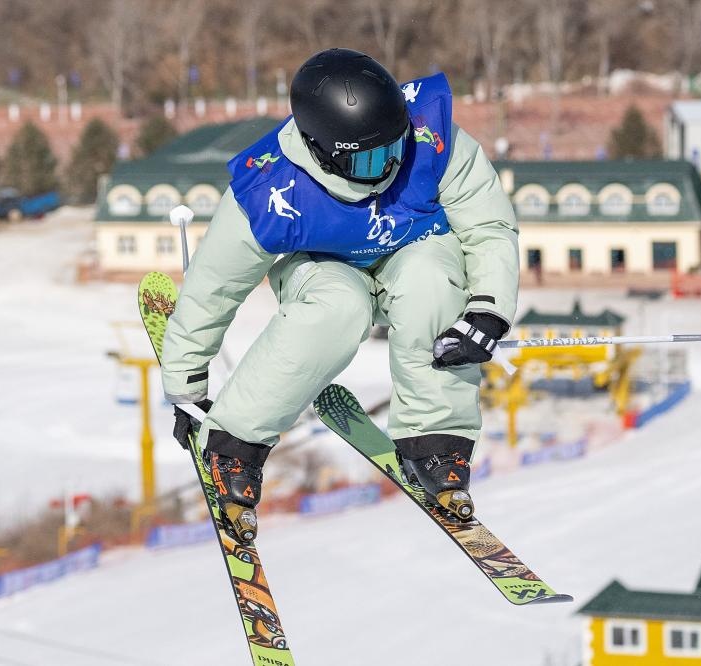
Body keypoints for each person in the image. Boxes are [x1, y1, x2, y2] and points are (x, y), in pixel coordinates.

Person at [162, 48, 519, 541]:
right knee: (336, 309)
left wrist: (488, 309)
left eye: (394, 147)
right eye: (371, 158)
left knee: (432, 284)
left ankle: (436, 439)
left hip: (413, 250)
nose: (389, 165)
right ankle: (234, 443)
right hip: (323, 267)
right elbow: (211, 288)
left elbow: (489, 228)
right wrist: (186, 383)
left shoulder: (432, 139)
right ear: (321, 149)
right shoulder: (271, 189)